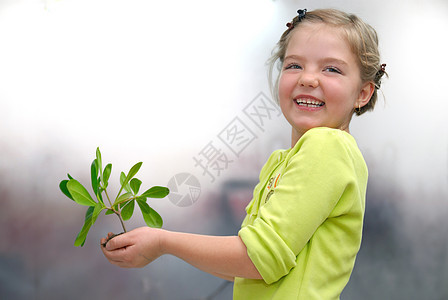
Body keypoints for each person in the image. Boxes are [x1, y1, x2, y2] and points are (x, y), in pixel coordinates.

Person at [101, 8, 387, 299]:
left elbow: (259, 258)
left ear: (363, 93)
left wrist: (163, 242)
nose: (308, 79)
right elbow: (246, 264)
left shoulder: (327, 147)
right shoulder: (284, 160)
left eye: (332, 69)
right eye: (294, 66)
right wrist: (159, 248)